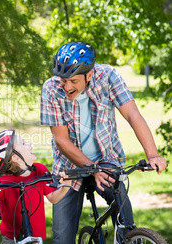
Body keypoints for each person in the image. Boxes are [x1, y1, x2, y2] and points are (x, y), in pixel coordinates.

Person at [40, 41, 168, 244]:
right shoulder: (50, 89)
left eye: (73, 81)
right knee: (62, 239)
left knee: (126, 225)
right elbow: (61, 140)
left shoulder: (108, 76)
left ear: (89, 75)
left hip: (107, 161)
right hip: (69, 168)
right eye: (63, 80)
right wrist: (92, 168)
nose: (66, 87)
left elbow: (133, 114)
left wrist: (152, 155)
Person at [0, 129, 71, 244]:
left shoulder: (39, 171)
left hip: (36, 237)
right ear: (16, 158)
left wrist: (66, 185)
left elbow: (53, 198)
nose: (30, 145)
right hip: (12, 238)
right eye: (24, 143)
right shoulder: (5, 181)